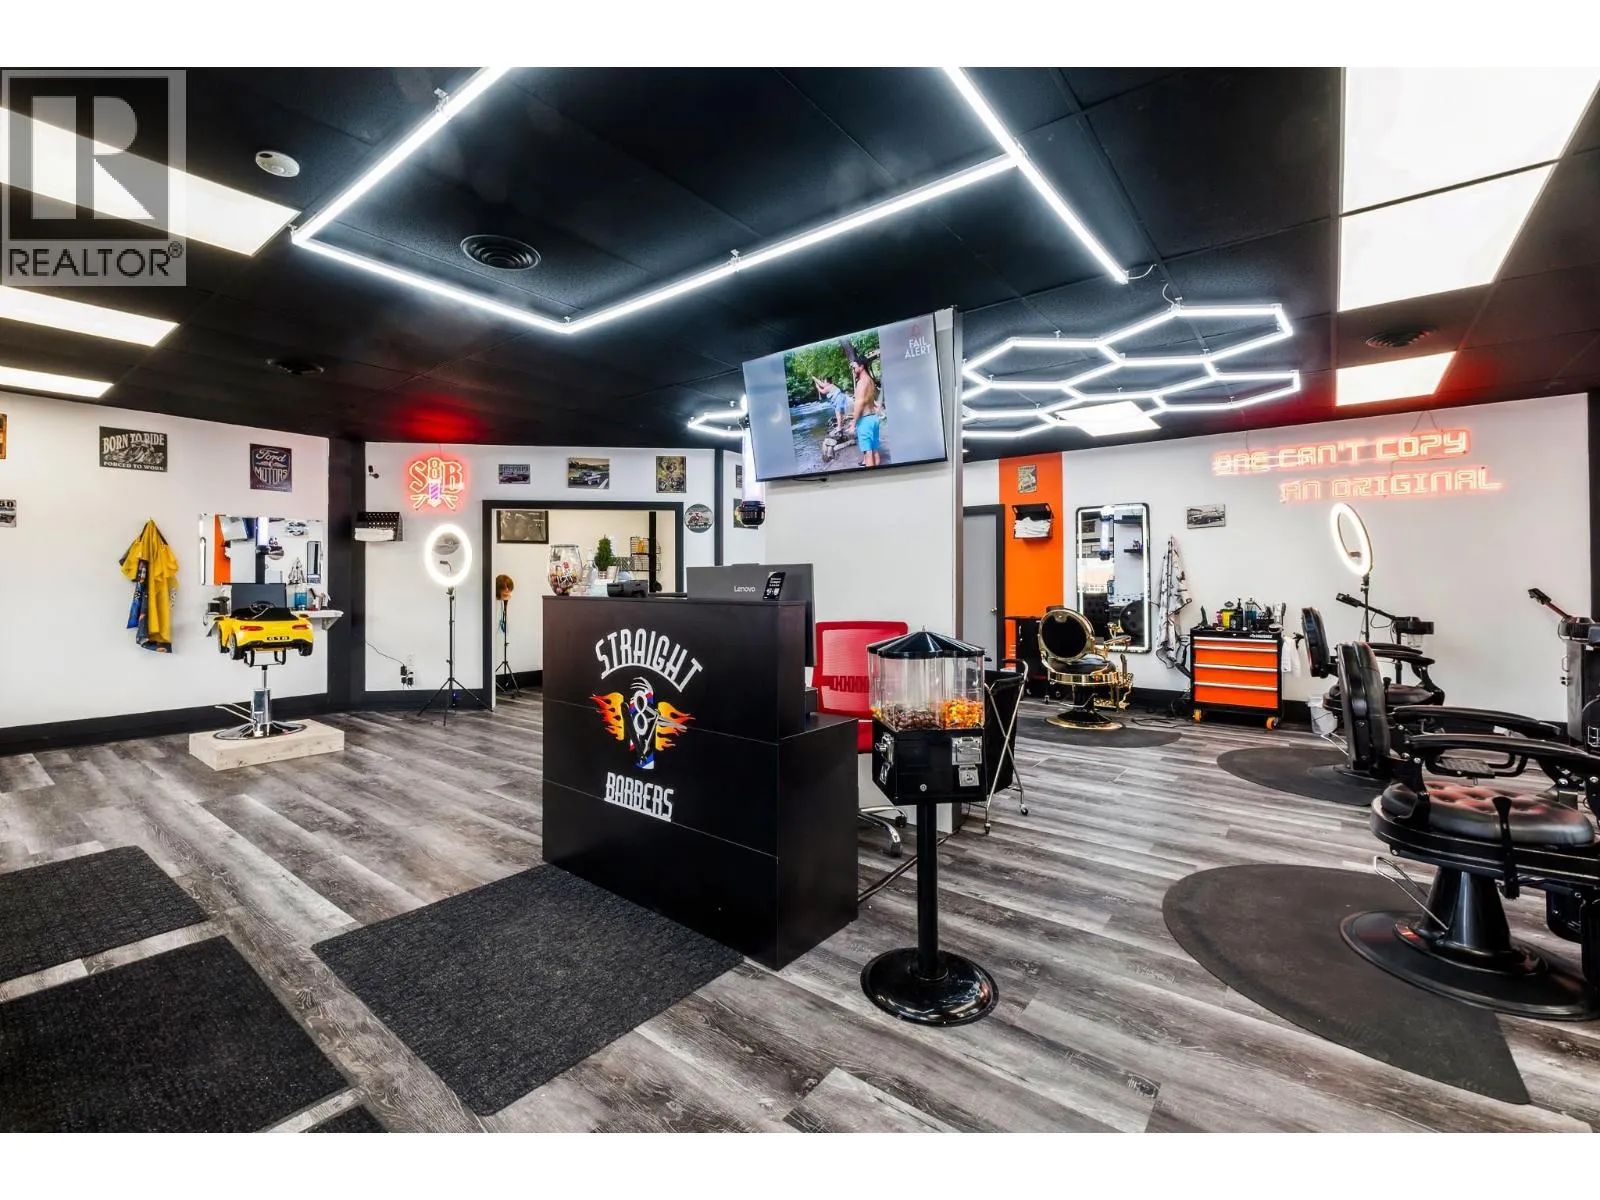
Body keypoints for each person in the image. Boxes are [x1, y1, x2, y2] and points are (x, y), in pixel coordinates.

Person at [847, 359, 883, 467]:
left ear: (861, 366)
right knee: (875, 450)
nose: (853, 370)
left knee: (868, 453)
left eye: (854, 367)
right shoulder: (870, 380)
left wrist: (853, 423)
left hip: (865, 421)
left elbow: (860, 403)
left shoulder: (861, 382)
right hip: (873, 419)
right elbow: (872, 400)